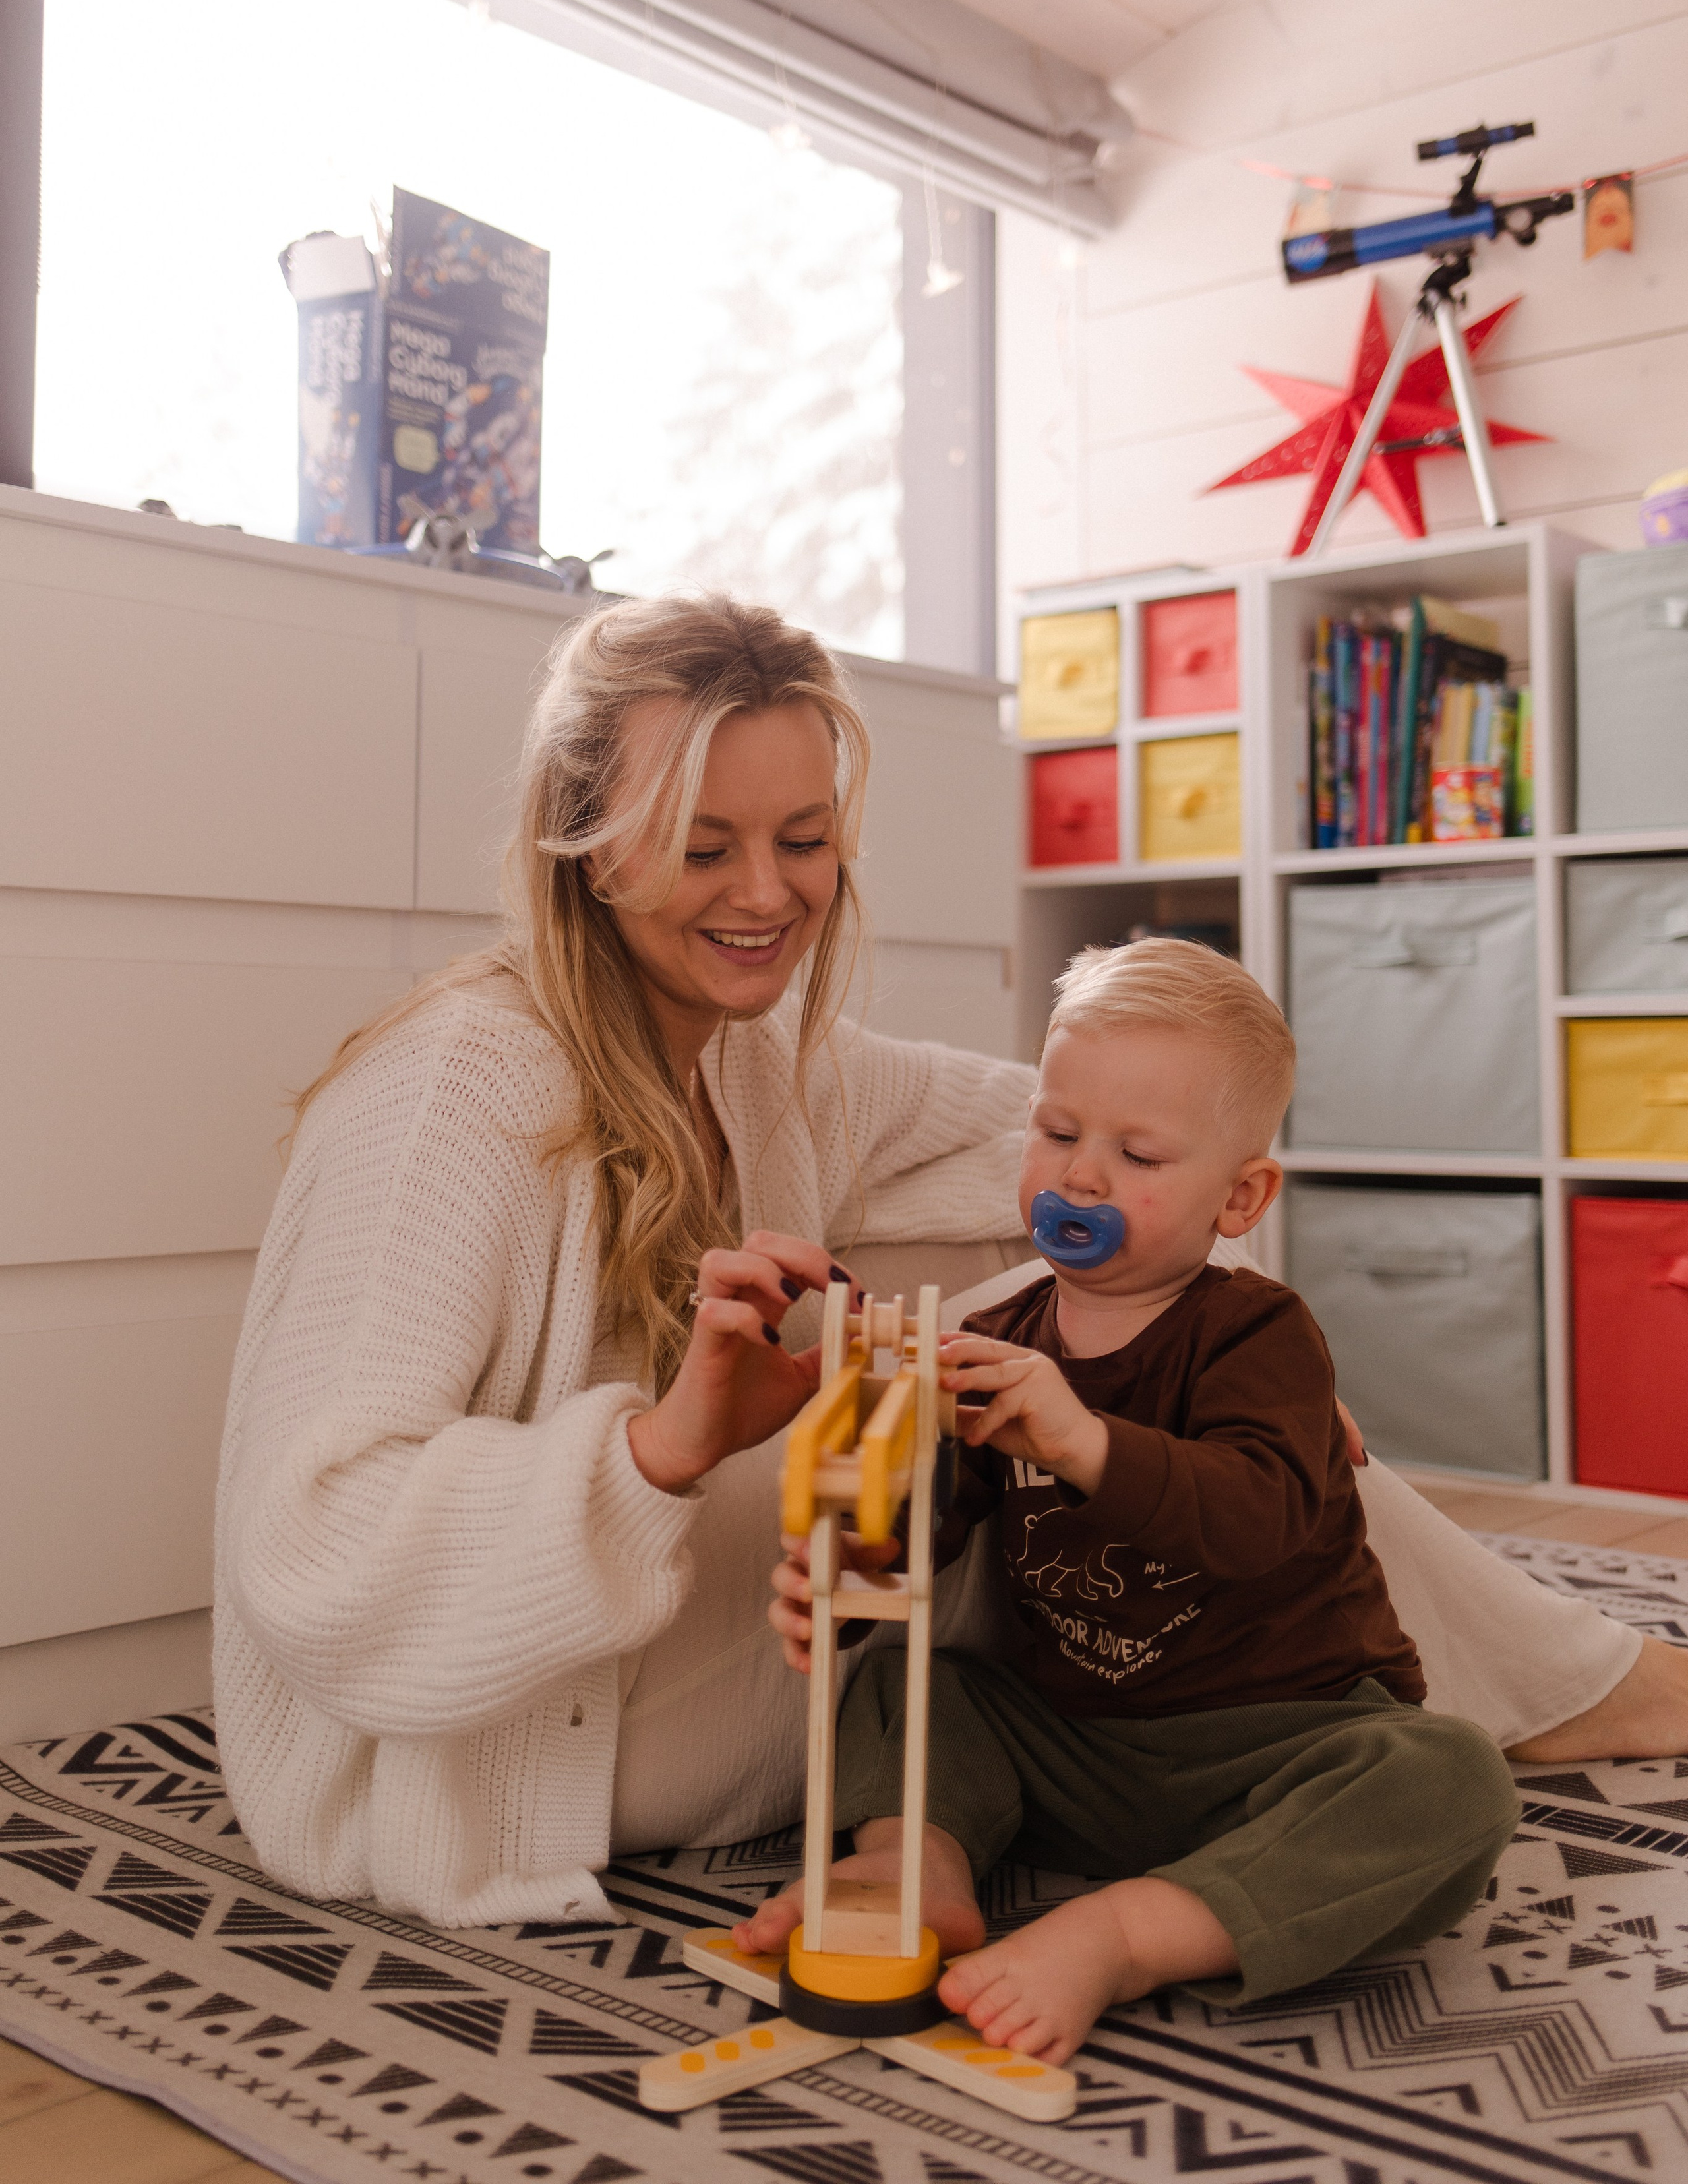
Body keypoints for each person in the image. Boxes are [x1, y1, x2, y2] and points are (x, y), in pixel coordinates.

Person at [216, 591, 1687, 1933]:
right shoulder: (458, 1089)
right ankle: (1575, 1689)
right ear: (590, 840)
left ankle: (1535, 1670)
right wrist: (665, 1448)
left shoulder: (758, 1059)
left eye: (803, 840)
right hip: (514, 1736)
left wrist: (1235, 1353)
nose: (765, 895)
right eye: (703, 846)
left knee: (1081, 1268)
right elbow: (313, 1548)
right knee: (1031, 1350)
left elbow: (1095, 1134)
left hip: (686, 1652)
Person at [742, 938, 1522, 2062]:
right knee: (924, 1684)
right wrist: (854, 1562)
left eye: (1138, 1152)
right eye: (1058, 1133)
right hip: (1075, 1741)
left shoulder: (1257, 1333)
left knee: (1450, 1780)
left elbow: (1259, 1519)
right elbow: (936, 1527)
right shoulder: (994, 1342)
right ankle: (914, 1866)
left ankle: (1130, 1934)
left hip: (1279, 1745)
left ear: (1239, 1197)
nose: (1083, 1177)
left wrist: (1083, 1440)